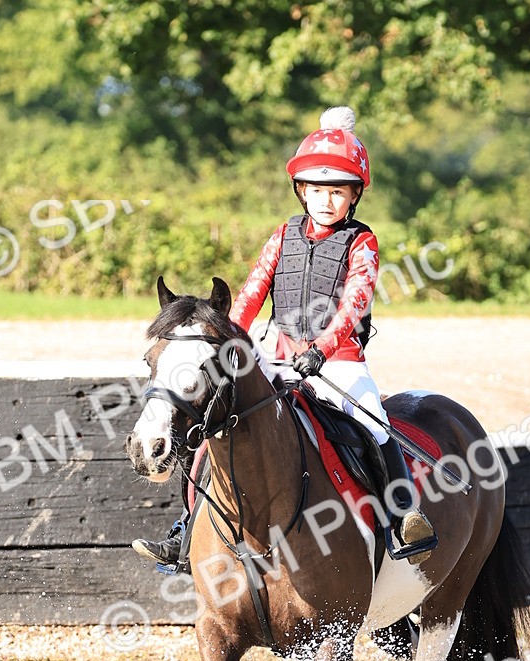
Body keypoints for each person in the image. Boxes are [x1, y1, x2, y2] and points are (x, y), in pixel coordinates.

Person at [133, 105, 435, 569]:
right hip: (274, 355)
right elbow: (253, 289)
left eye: (337, 191)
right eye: (317, 190)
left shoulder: (362, 242)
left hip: (338, 361)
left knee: (376, 425)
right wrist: (226, 334)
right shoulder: (282, 236)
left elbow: (354, 303)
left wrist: (321, 350)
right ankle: (186, 529)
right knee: (214, 426)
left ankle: (402, 517)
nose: (326, 200)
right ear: (302, 191)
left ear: (354, 195)